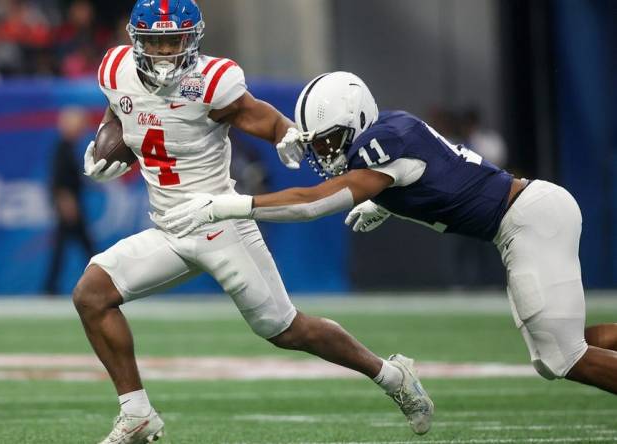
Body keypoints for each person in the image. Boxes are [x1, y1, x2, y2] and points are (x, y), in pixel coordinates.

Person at [73, 3, 433, 443]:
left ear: (194, 39)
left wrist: (284, 134)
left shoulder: (212, 82)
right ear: (136, 41)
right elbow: (122, 115)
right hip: (169, 228)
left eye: (174, 40)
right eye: (156, 42)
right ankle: (137, 415)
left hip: (220, 224)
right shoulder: (114, 70)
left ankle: (392, 376)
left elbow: (260, 116)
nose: (166, 52)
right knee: (92, 294)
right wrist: (105, 146)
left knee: (287, 330)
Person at [163, 71, 617, 397]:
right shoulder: (388, 131)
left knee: (563, 357)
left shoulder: (383, 143)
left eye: (328, 141)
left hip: (527, 219)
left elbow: (311, 203)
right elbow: (437, 177)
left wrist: (231, 205)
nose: (325, 153)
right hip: (526, 215)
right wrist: (386, 204)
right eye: (318, 144)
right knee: (553, 352)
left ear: (357, 121)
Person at [44, 107, 94, 296]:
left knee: (65, 247)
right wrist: (66, 203)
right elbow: (59, 181)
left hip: (72, 202)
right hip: (70, 205)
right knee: (84, 246)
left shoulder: (68, 147)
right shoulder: (63, 148)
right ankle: (102, 281)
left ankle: (50, 287)